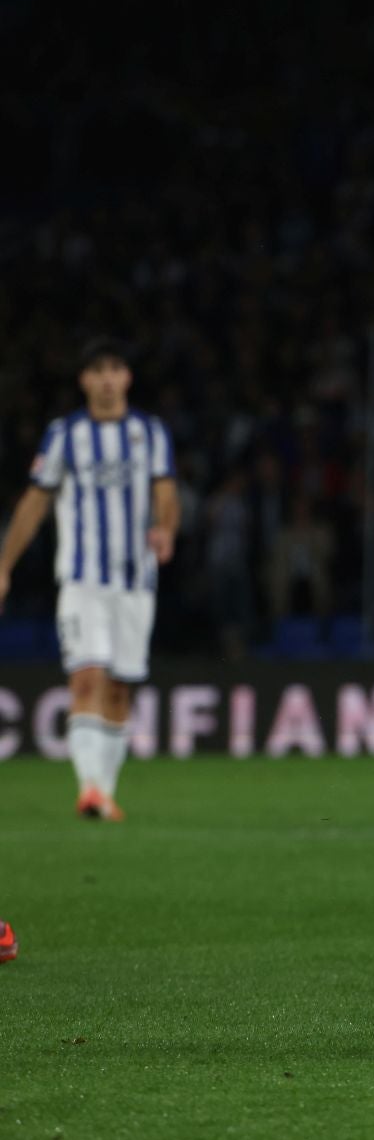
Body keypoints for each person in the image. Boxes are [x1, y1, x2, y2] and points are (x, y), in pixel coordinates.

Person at [0, 338, 178, 821]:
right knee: (85, 677)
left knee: (119, 689)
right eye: (96, 370)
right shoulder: (64, 435)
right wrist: (4, 564)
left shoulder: (150, 433)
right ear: (83, 380)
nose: (105, 378)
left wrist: (166, 529)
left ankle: (104, 791)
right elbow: (35, 502)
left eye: (114, 369)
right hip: (82, 580)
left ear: (126, 378)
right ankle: (89, 790)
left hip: (135, 582)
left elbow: (165, 492)